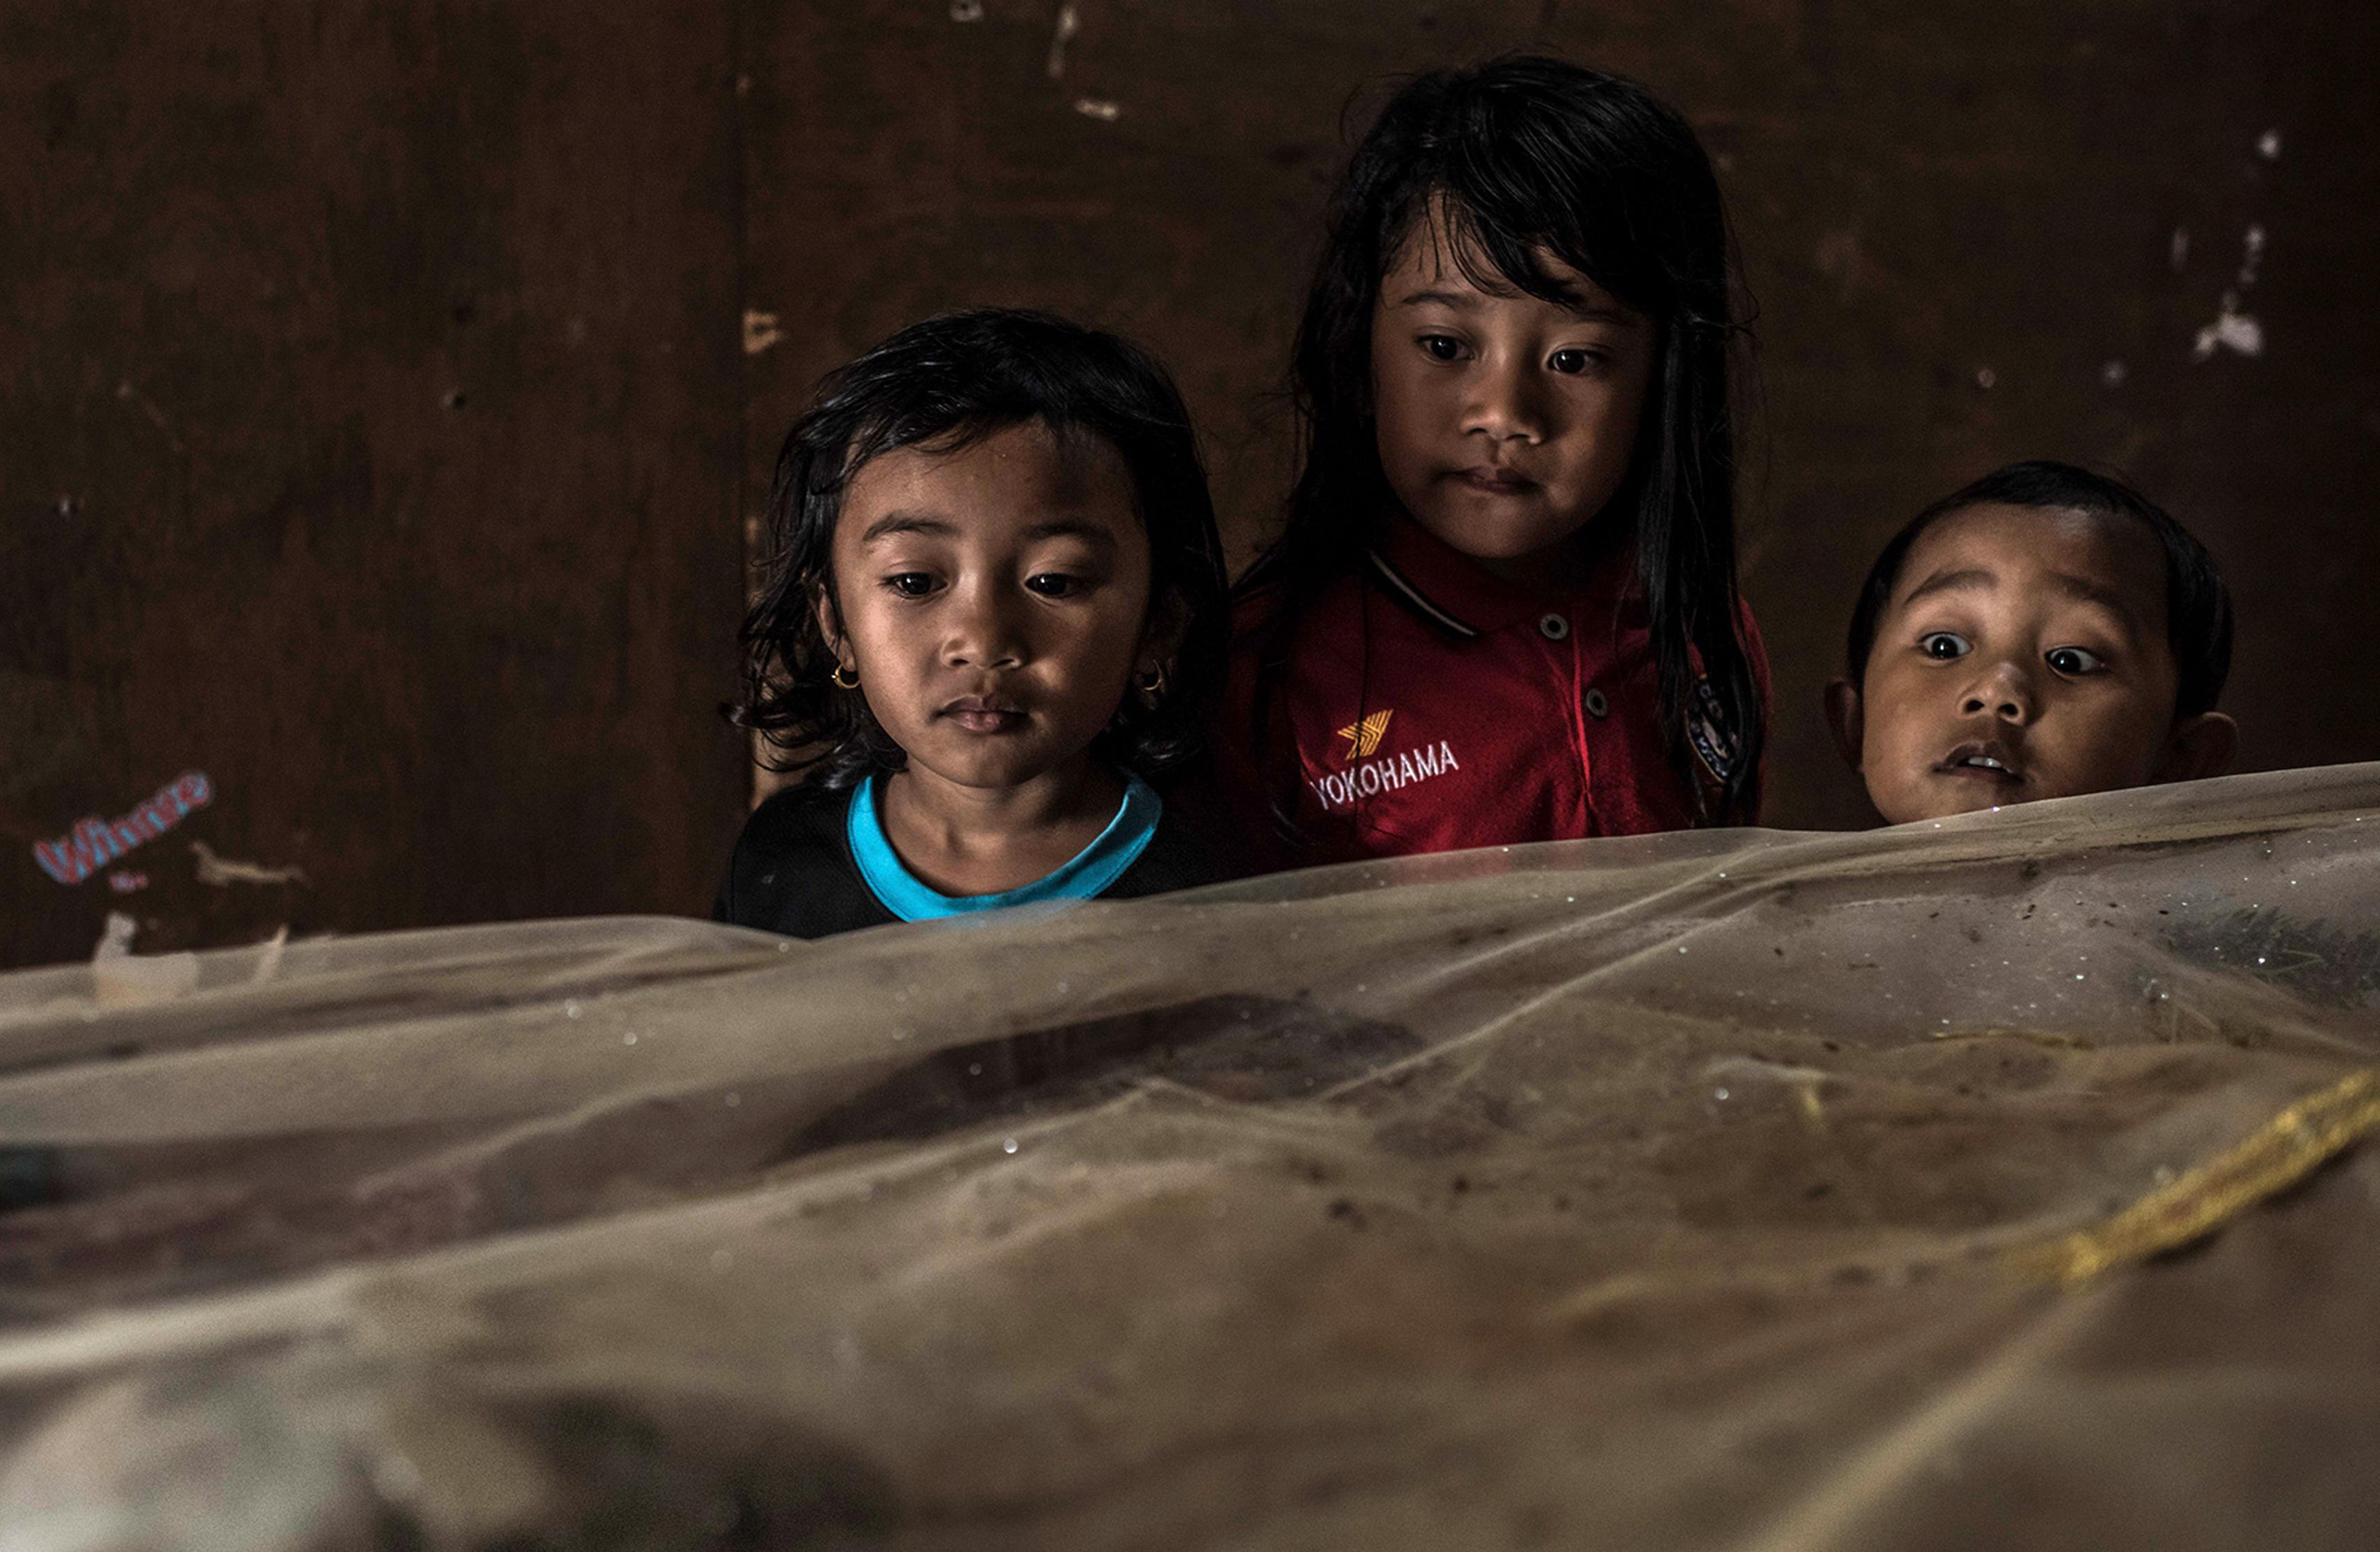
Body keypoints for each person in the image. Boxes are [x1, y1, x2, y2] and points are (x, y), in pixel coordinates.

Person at [1199, 54, 1769, 872]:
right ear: (1358, 356)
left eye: (1576, 360)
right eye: (1444, 346)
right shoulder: (1260, 683)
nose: (1504, 412)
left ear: (1664, 382)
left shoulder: (1705, 632)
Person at [715, 308, 1230, 939]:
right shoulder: (779, 866)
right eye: (914, 582)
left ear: (1158, 625)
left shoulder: (1210, 890)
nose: (984, 641)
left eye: (1053, 583)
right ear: (836, 625)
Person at [1826, 461, 2238, 825]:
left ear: (2182, 761)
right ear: (1855, 724)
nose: (1997, 690)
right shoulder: (1783, 910)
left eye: (2069, 661)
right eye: (1943, 647)